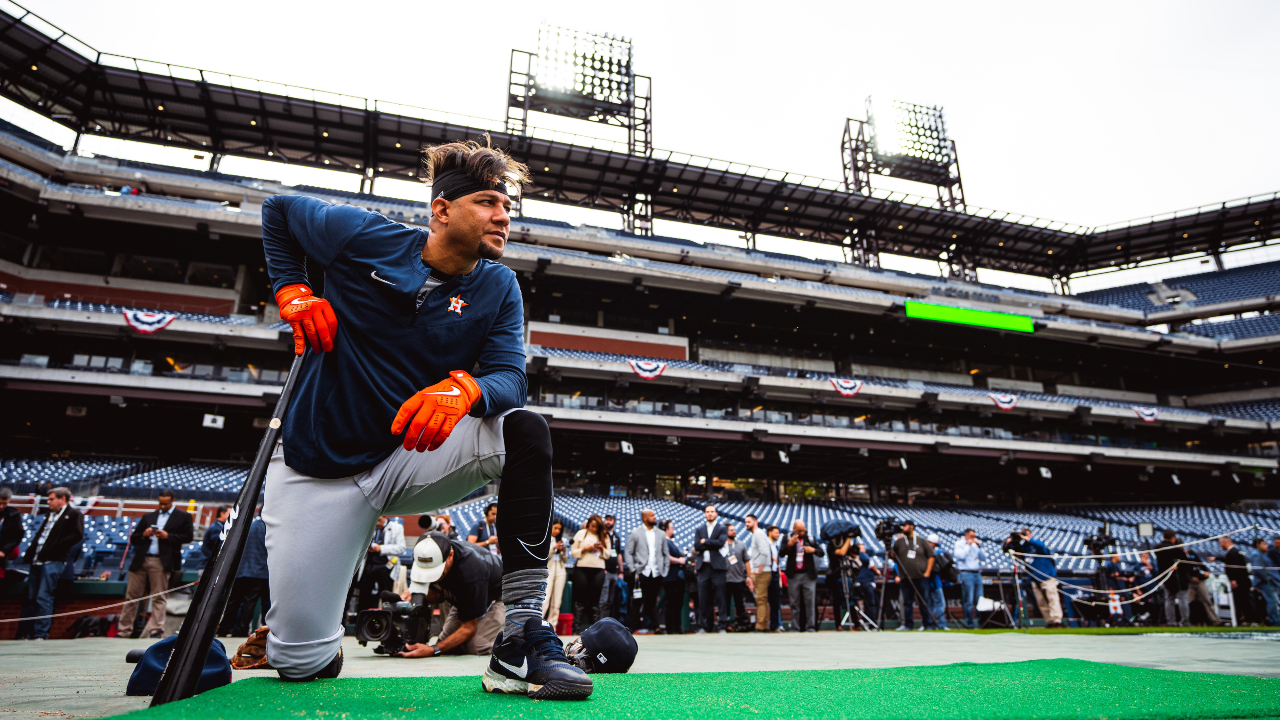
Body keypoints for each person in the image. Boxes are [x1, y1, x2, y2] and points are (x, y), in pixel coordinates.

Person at [256, 140, 588, 698]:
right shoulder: (364, 235)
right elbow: (279, 210)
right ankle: (302, 633)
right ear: (441, 209)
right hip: (319, 467)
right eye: (487, 202)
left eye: (507, 207)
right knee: (300, 661)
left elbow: (511, 378)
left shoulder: (499, 285)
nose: (503, 216)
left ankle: (521, 636)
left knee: (525, 430)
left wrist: (466, 391)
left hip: (410, 456)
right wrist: (291, 289)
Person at [396, 532, 505, 657]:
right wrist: (417, 592)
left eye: (436, 571)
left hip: (500, 595)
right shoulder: (427, 556)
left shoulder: (470, 572)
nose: (432, 577)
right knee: (446, 645)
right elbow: (439, 597)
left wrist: (432, 650)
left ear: (450, 555)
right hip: (464, 596)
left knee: (475, 646)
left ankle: (510, 640)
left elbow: (468, 628)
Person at [117, 489, 193, 639]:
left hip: (161, 560)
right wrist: (144, 534)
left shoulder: (183, 516)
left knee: (159, 596)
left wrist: (168, 536)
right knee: (132, 596)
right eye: (160, 503)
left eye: (165, 503)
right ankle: (124, 631)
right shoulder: (149, 516)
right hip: (141, 559)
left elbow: (188, 536)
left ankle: (156, 630)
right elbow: (134, 538)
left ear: (172, 501)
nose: (162, 506)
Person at [19, 488, 84, 640]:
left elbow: (77, 534)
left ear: (63, 499)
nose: (48, 502)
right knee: (32, 597)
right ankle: (27, 632)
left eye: (51, 499)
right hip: (37, 560)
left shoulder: (74, 514)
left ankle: (40, 633)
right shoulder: (50, 515)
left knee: (44, 597)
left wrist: (56, 548)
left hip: (53, 561)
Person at [218, 515, 271, 636]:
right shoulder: (267, 528)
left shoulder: (247, 525)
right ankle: (240, 631)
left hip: (240, 570)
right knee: (249, 602)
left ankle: (224, 629)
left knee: (233, 601)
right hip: (259, 571)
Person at [1004, 528, 1062, 628]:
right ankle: (1050, 621)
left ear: (1030, 534)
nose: (1023, 536)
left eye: (1025, 534)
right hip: (1034, 578)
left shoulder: (1036, 544)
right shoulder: (1024, 547)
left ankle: (1057, 621)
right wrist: (1009, 542)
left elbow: (1042, 546)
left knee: (1052, 598)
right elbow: (1009, 551)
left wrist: (1027, 539)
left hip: (1047, 575)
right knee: (1041, 601)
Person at [624, 508, 668, 633]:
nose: (655, 517)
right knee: (637, 600)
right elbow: (628, 552)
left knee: (652, 600)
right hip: (641, 572)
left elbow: (665, 553)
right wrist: (633, 569)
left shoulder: (661, 534)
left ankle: (656, 626)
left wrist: (664, 570)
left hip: (656, 572)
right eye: (652, 515)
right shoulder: (635, 533)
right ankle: (631, 628)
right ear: (644, 518)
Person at [890, 520, 936, 631]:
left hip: (921, 577)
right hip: (905, 577)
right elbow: (892, 556)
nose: (902, 528)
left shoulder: (922, 541)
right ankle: (907, 625)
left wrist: (927, 573)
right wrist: (887, 546)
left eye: (904, 526)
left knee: (924, 601)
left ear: (911, 527)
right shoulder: (899, 541)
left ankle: (927, 624)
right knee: (907, 602)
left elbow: (931, 556)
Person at [571, 514, 611, 633]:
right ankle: (576, 629)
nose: (594, 529)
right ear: (588, 524)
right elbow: (573, 553)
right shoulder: (580, 533)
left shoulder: (604, 535)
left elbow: (608, 555)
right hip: (582, 568)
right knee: (580, 600)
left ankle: (594, 630)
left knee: (595, 601)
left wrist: (601, 548)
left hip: (598, 569)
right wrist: (585, 549)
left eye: (596, 527)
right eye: (592, 526)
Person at [692, 505, 729, 634]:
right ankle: (703, 626)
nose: (710, 514)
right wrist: (709, 543)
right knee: (703, 598)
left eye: (712, 512)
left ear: (716, 514)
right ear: (704, 514)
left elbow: (721, 543)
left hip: (718, 568)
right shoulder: (699, 529)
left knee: (721, 598)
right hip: (703, 567)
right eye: (707, 512)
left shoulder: (722, 528)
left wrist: (705, 542)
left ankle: (722, 626)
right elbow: (697, 546)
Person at [359, 516, 407, 611]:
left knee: (386, 597)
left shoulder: (397, 527)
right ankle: (363, 620)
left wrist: (381, 548)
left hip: (385, 567)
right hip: (369, 565)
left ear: (385, 517)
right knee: (364, 597)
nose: (377, 523)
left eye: (380, 520)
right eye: (375, 520)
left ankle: (386, 620)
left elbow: (401, 548)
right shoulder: (369, 526)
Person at [784, 519, 823, 632]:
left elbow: (821, 552)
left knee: (810, 601)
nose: (802, 533)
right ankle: (795, 627)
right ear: (794, 529)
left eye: (803, 530)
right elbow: (781, 552)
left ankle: (811, 626)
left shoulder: (810, 538)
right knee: (794, 602)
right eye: (800, 531)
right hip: (793, 576)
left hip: (808, 576)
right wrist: (789, 545)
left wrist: (813, 550)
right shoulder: (787, 538)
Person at [1154, 529, 1192, 627]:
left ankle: (1171, 622)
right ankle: (1185, 621)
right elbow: (1186, 564)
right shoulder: (1176, 549)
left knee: (1169, 599)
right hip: (1180, 578)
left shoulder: (1158, 548)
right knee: (1182, 600)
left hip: (1166, 578)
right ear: (1173, 537)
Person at [1218, 536, 1254, 625]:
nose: (1220, 545)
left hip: (1240, 582)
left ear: (1225, 542)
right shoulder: (1236, 551)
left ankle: (1251, 620)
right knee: (1244, 601)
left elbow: (1234, 567)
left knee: (1244, 601)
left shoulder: (1232, 552)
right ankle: (1247, 620)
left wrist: (1233, 580)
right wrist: (1217, 558)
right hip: (1243, 581)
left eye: (1221, 543)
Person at [745, 514, 772, 632]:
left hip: (762, 571)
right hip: (762, 570)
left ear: (755, 522)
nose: (747, 524)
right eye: (746, 522)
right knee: (763, 599)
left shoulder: (758, 533)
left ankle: (760, 625)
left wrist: (759, 569)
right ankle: (765, 624)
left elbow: (764, 552)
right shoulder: (757, 534)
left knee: (760, 599)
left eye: (749, 522)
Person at [722, 524, 752, 631]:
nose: (734, 531)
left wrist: (749, 576)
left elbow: (747, 561)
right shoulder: (721, 545)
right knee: (724, 603)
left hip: (738, 579)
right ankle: (725, 625)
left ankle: (742, 624)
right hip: (724, 580)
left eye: (734, 530)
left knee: (740, 604)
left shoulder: (741, 544)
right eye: (731, 530)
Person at [825, 530, 856, 631]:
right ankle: (838, 624)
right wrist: (848, 539)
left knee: (850, 598)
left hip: (846, 574)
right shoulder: (831, 545)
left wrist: (850, 545)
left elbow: (854, 556)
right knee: (837, 601)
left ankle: (855, 623)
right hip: (835, 575)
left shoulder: (845, 544)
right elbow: (841, 552)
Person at [953, 529, 983, 629]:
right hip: (966, 573)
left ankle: (982, 623)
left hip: (977, 573)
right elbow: (960, 556)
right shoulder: (959, 544)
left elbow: (984, 557)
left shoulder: (976, 544)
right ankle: (970, 624)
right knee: (969, 601)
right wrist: (968, 545)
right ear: (966, 535)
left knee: (980, 600)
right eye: (971, 536)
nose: (973, 538)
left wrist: (980, 547)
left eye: (974, 536)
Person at [661, 520, 686, 634]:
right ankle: (671, 628)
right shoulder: (665, 541)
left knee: (677, 603)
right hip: (670, 577)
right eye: (672, 527)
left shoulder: (671, 542)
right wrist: (679, 560)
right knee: (671, 603)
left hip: (676, 577)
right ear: (667, 529)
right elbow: (665, 557)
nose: (673, 530)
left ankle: (677, 627)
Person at [542, 521, 568, 630]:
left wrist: (563, 551)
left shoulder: (562, 540)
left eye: (559, 529)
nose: (557, 531)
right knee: (545, 600)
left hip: (561, 571)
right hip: (548, 571)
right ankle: (538, 624)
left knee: (557, 602)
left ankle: (552, 627)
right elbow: (543, 556)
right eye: (555, 528)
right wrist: (553, 548)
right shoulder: (545, 539)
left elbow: (565, 560)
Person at [926, 534, 953, 630]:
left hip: (932, 582)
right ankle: (941, 625)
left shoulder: (931, 553)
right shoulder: (933, 554)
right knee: (939, 604)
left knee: (932, 605)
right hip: (934, 583)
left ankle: (931, 625)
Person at [600, 514, 624, 621]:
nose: (608, 522)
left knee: (611, 600)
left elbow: (619, 554)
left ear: (614, 522)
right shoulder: (602, 535)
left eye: (610, 520)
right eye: (606, 520)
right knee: (603, 600)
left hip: (615, 572)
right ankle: (600, 622)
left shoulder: (616, 537)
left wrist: (621, 571)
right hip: (605, 571)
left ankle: (607, 622)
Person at [1250, 539, 1279, 626]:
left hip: (1271, 582)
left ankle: (1275, 620)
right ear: (1257, 545)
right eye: (1264, 544)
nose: (1266, 546)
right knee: (1272, 602)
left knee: (1274, 601)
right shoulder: (1256, 555)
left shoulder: (1262, 555)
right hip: (1267, 583)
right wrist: (1268, 579)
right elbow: (1258, 570)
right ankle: (1275, 621)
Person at [853, 541, 880, 626]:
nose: (864, 549)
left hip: (861, 582)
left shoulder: (856, 556)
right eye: (862, 548)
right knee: (870, 603)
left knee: (872, 602)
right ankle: (871, 622)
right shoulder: (861, 555)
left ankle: (868, 621)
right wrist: (877, 571)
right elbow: (870, 563)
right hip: (865, 582)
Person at [0, 487, 22, 582]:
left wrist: (4, 551)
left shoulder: (14, 514)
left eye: (4, 503)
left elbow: (17, 536)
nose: (1, 506)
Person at [200, 506, 231, 570]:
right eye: (229, 514)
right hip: (208, 567)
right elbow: (220, 544)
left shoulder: (219, 526)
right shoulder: (216, 528)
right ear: (222, 513)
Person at [766, 525, 783, 632]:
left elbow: (777, 563)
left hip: (775, 575)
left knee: (775, 602)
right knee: (766, 601)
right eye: (776, 532)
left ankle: (775, 625)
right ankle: (766, 624)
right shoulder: (765, 544)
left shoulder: (775, 545)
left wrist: (779, 576)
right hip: (767, 574)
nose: (778, 535)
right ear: (770, 532)